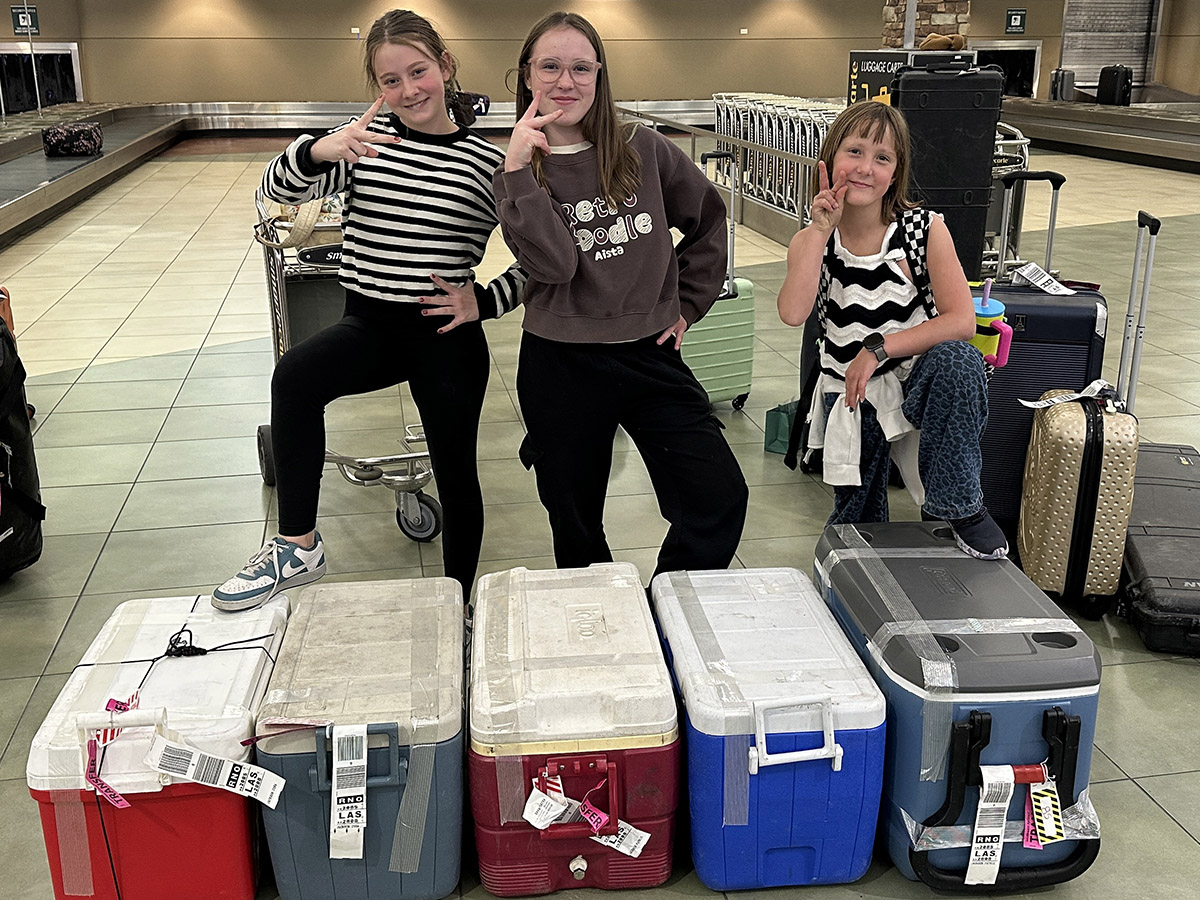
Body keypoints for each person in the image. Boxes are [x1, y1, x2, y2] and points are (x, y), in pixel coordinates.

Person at [213, 9, 523, 611]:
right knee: (295, 377)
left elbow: (544, 260)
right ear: (377, 88)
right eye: (390, 80)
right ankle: (298, 546)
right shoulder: (364, 147)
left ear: (445, 66)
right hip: (370, 326)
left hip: (445, 336)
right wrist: (321, 150)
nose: (409, 90)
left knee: (456, 473)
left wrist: (483, 299)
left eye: (419, 71)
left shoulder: (487, 167)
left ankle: (457, 604)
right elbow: (272, 195)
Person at [493, 10, 748, 578]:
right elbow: (556, 266)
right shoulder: (515, 173)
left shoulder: (643, 149)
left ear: (599, 74)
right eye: (550, 67)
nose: (566, 81)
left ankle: (668, 603)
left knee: (717, 497)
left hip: (648, 353)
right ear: (527, 76)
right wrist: (517, 172)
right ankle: (605, 620)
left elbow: (708, 220)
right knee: (575, 520)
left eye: (581, 68)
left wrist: (687, 305)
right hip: (559, 360)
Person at [776, 101, 1007, 559]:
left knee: (958, 361)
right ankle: (855, 564)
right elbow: (792, 312)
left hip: (913, 378)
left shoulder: (923, 229)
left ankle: (959, 506)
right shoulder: (813, 239)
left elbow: (961, 321)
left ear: (896, 171)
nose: (865, 168)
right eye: (854, 152)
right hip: (851, 393)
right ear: (829, 159)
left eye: (882, 158)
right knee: (859, 527)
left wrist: (879, 349)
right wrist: (819, 232)